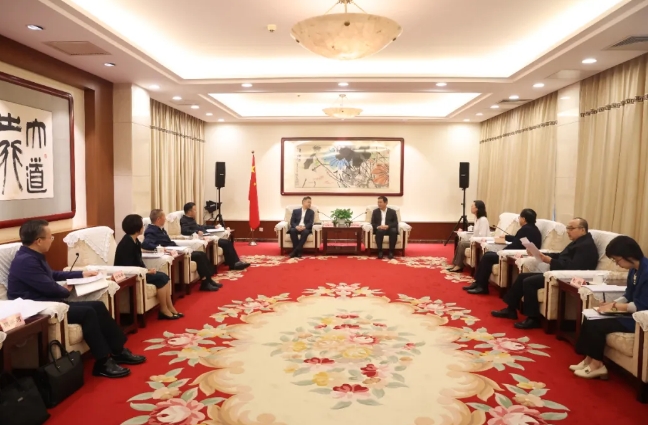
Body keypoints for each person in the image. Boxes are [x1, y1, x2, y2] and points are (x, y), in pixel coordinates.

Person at [7, 220, 146, 379]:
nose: (52, 240)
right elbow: (49, 287)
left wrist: (81, 274)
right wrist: (64, 290)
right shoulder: (26, 261)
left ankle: (118, 351)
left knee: (98, 306)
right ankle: (102, 362)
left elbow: (53, 275)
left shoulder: (33, 255)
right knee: (87, 312)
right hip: (39, 308)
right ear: (38, 241)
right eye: (50, 237)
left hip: (51, 301)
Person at [491, 218, 599, 329]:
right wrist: (540, 254)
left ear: (582, 230)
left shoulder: (586, 246)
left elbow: (573, 267)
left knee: (529, 282)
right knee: (522, 277)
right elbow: (561, 256)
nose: (568, 231)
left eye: (571, 228)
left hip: (566, 278)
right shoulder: (578, 242)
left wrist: (550, 261)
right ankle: (510, 309)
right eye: (567, 228)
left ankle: (533, 319)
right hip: (557, 273)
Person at [571, 235, 648, 380]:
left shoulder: (647, 272)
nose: (617, 264)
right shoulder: (634, 270)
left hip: (640, 320)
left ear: (629, 256)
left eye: (617, 259)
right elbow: (628, 294)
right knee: (589, 317)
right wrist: (610, 305)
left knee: (597, 324)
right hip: (631, 313)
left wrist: (615, 306)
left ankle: (597, 365)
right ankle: (588, 359)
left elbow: (641, 306)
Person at [114, 214, 182, 320]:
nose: (143, 227)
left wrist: (147, 270)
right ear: (137, 228)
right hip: (130, 275)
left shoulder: (134, 241)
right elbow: (128, 266)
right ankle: (164, 310)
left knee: (164, 276)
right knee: (161, 278)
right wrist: (146, 272)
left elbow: (138, 261)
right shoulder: (126, 244)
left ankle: (170, 307)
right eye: (142, 225)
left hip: (139, 271)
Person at [466, 208, 542, 295]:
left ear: (524, 219)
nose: (519, 220)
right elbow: (520, 240)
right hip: (517, 252)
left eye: (520, 218)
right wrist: (506, 237)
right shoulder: (532, 229)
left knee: (487, 257)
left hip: (515, 254)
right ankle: (478, 283)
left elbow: (516, 245)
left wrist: (502, 252)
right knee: (488, 255)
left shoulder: (525, 229)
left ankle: (482, 286)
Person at [142, 209, 220, 292]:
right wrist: (160, 248)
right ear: (158, 219)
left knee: (201, 254)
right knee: (198, 256)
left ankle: (208, 279)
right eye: (164, 217)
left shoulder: (160, 229)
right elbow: (146, 244)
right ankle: (205, 283)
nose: (165, 219)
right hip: (169, 251)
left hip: (175, 248)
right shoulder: (151, 230)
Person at [179, 202, 250, 270]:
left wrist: (213, 227)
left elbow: (200, 226)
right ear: (189, 211)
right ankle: (234, 264)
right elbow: (184, 231)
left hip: (206, 235)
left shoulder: (191, 219)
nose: (196, 212)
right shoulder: (184, 220)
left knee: (227, 242)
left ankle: (235, 263)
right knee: (226, 243)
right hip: (201, 238)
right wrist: (196, 231)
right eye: (194, 210)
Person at [447, 200, 489, 272]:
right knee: (461, 242)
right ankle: (456, 264)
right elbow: (475, 233)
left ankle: (459, 266)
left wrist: (472, 238)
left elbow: (483, 236)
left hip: (480, 243)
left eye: (472, 206)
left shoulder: (483, 220)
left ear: (477, 208)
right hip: (474, 241)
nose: (471, 207)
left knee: (462, 244)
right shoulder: (477, 218)